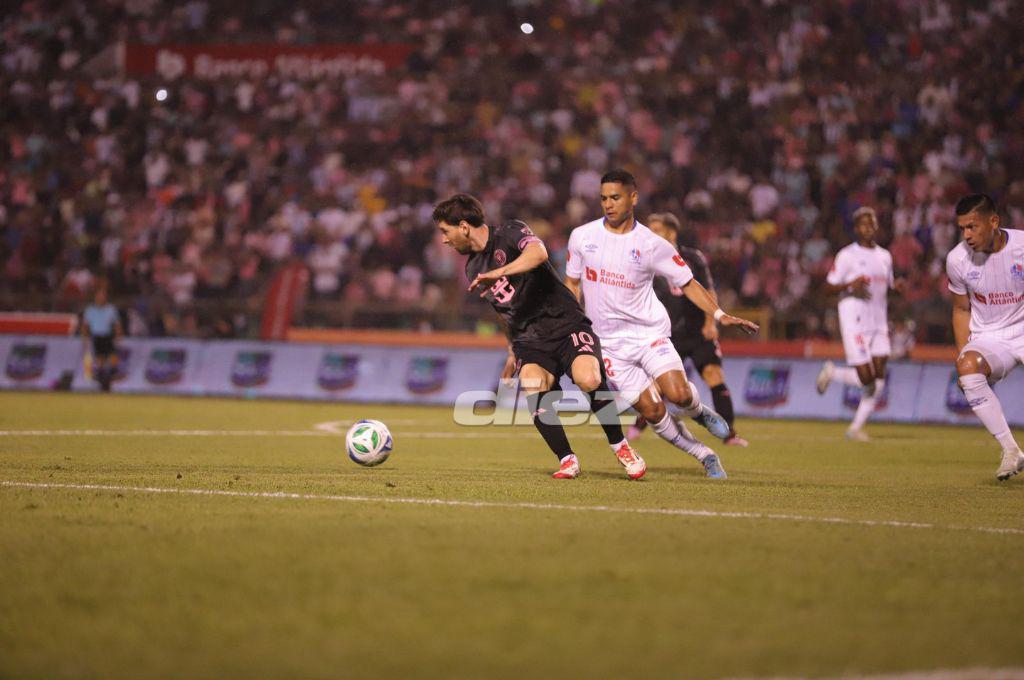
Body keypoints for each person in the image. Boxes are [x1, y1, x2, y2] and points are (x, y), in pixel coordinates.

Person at [433, 193, 645, 480]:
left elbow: (538, 254)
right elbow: (503, 308)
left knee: (590, 379)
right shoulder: (473, 267)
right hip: (528, 339)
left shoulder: (510, 232)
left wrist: (501, 271)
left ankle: (621, 447)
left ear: (463, 226)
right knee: (532, 384)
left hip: (566, 323)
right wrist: (511, 349)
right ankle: (567, 459)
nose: (444, 239)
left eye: (445, 231)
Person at [565, 170, 759, 479]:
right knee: (653, 411)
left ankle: (700, 412)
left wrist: (720, 315)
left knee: (679, 394)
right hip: (610, 344)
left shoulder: (652, 244)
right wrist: (572, 323)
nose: (608, 204)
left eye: (615, 197)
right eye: (603, 199)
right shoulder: (582, 237)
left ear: (633, 198)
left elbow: (690, 283)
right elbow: (572, 283)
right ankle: (705, 454)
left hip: (648, 333)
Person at [628, 212, 748, 446]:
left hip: (697, 331)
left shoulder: (693, 258)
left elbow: (708, 290)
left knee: (714, 375)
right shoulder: (644, 259)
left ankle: (729, 434)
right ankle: (638, 426)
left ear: (671, 231)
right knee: (660, 383)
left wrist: (709, 322)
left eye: (656, 227)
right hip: (667, 333)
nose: (650, 232)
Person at [945, 194, 1024, 481]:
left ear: (994, 221)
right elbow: (961, 308)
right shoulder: (956, 260)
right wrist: (962, 352)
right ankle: (1011, 450)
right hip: (990, 336)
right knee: (967, 367)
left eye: (972, 227)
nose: (967, 235)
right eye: (962, 228)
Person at [815, 207, 899, 441]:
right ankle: (833, 373)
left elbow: (887, 286)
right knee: (867, 378)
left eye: (872, 223)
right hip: (855, 320)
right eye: (864, 224)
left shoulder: (885, 256)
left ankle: (855, 428)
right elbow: (827, 286)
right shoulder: (847, 255)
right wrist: (850, 285)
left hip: (879, 321)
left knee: (879, 378)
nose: (868, 228)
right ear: (856, 228)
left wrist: (896, 289)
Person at [81, 286, 123, 392]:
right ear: (95, 297)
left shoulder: (111, 309)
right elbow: (85, 325)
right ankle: (102, 384)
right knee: (100, 361)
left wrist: (118, 335)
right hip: (97, 337)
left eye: (103, 295)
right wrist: (85, 337)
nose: (101, 297)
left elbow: (116, 324)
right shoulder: (90, 310)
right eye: (99, 295)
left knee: (113, 360)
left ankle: (108, 380)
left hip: (108, 336)